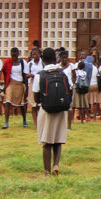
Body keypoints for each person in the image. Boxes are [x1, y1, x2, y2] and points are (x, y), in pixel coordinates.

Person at [32, 48, 70, 176]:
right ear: (56, 59)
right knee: (58, 140)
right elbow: (68, 90)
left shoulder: (40, 75)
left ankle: (47, 171)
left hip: (46, 110)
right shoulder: (63, 73)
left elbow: (36, 97)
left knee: (46, 141)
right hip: (61, 110)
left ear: (43, 60)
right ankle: (56, 164)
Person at [1, 47, 29, 129]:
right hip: (11, 83)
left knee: (21, 104)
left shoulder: (23, 62)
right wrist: (5, 82)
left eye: (15, 55)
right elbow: (3, 70)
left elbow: (25, 76)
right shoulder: (8, 62)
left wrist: (26, 88)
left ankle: (24, 120)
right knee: (7, 101)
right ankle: (6, 122)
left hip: (20, 84)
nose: (14, 57)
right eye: (12, 55)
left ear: (18, 54)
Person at [57, 51, 76, 130]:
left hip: (69, 88)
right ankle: (60, 125)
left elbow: (74, 76)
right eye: (62, 58)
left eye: (65, 58)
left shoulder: (72, 66)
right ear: (60, 58)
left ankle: (69, 125)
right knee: (59, 107)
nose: (64, 59)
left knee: (69, 107)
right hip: (60, 88)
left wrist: (72, 84)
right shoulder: (57, 66)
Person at [26, 48, 44, 128]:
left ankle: (41, 123)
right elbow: (26, 75)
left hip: (41, 84)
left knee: (40, 105)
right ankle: (35, 124)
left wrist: (36, 75)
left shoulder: (43, 64)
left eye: (36, 54)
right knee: (33, 105)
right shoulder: (30, 64)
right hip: (32, 84)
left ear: (40, 54)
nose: (34, 55)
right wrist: (30, 75)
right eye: (33, 54)